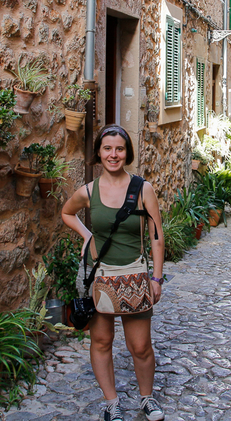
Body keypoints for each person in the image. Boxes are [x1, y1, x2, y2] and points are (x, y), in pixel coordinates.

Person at [61, 124, 166, 421]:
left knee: (141, 346)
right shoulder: (88, 192)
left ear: (127, 152)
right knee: (102, 341)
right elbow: (66, 213)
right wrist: (87, 236)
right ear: (98, 152)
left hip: (134, 276)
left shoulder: (142, 189)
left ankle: (147, 398)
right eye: (107, 148)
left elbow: (157, 235)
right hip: (102, 276)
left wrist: (156, 278)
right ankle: (111, 402)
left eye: (119, 148)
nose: (113, 154)